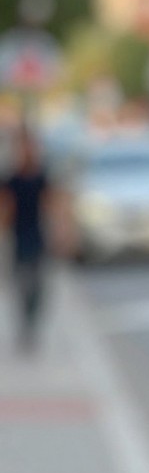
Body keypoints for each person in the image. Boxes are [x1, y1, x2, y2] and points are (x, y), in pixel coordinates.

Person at [1, 122, 52, 353]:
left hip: (39, 236)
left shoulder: (42, 175)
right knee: (21, 285)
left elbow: (52, 204)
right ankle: (25, 327)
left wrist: (61, 232)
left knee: (38, 287)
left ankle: (31, 325)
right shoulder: (11, 178)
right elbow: (5, 209)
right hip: (18, 239)